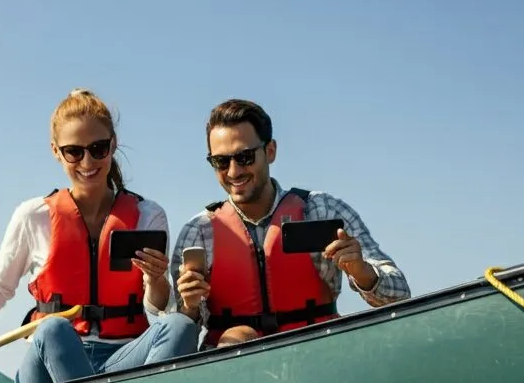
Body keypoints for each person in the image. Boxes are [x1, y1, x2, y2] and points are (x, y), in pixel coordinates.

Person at [0, 89, 199, 383]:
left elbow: (156, 309)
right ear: (56, 151)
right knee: (52, 328)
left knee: (179, 325)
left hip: (121, 360)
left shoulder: (148, 215)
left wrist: (157, 280)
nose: (87, 161)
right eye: (74, 152)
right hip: (52, 362)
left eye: (98, 148)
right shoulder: (33, 216)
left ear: (113, 145)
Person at [169, 99, 412, 348]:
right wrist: (189, 307)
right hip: (232, 367)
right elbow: (180, 331)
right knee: (235, 339)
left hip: (317, 349)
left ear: (270, 151)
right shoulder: (197, 232)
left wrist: (362, 271)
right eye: (221, 161)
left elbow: (400, 294)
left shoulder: (322, 210)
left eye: (245, 157)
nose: (233, 172)